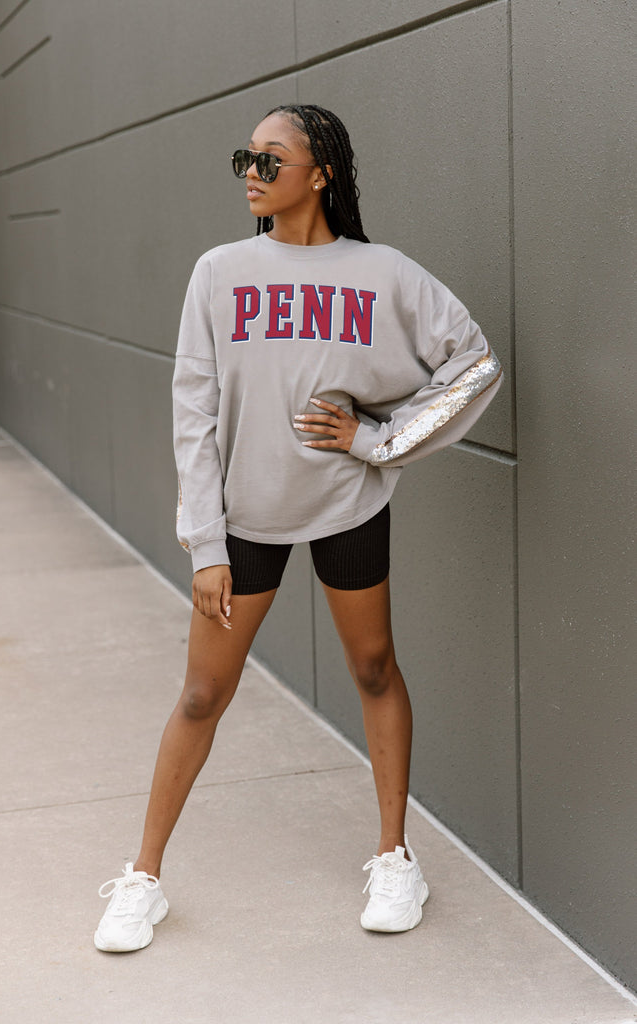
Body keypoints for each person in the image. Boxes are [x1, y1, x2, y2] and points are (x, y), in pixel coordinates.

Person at [94, 104, 502, 953]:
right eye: (244, 157)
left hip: (348, 503)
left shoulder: (383, 273)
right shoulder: (219, 271)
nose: (251, 171)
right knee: (201, 695)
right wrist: (206, 543)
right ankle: (143, 879)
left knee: (374, 669)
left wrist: (377, 441)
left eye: (269, 159)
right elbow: (193, 411)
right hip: (245, 519)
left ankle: (394, 857)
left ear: (320, 174)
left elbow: (475, 364)